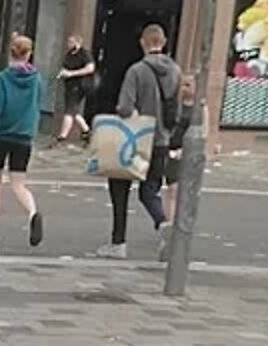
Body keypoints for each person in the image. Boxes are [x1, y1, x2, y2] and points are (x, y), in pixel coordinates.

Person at [95, 23, 180, 259]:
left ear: (143, 42)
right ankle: (163, 223)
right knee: (150, 190)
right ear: (163, 42)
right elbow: (177, 110)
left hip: (136, 140)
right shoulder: (175, 70)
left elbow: (124, 107)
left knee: (119, 188)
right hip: (161, 140)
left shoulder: (137, 71)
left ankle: (118, 242)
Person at [0, 34, 43, 247]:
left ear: (10, 53)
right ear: (29, 53)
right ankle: (33, 213)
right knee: (19, 183)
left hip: (2, 136)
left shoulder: (3, 79)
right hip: (24, 137)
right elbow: (37, 107)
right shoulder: (37, 80)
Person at [161, 74, 208, 259]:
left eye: (188, 85)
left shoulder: (200, 107)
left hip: (188, 153)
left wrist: (196, 150)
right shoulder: (175, 105)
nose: (184, 89)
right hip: (171, 152)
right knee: (172, 189)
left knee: (185, 191)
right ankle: (170, 224)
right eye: (182, 85)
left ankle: (182, 225)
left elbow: (204, 131)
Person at [55, 35, 93, 144]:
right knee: (73, 110)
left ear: (77, 43)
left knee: (69, 110)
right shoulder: (69, 54)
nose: (68, 44)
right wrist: (62, 73)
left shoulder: (84, 54)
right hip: (69, 85)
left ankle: (62, 137)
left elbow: (90, 68)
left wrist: (71, 74)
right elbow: (65, 66)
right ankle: (86, 130)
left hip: (80, 85)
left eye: (71, 42)